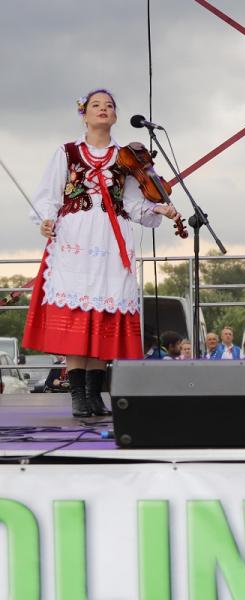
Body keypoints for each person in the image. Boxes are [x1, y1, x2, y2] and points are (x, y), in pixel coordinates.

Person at [22, 88, 181, 417]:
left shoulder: (125, 158)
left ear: (116, 115)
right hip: (76, 237)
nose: (103, 109)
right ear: (84, 114)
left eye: (109, 105)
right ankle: (77, 395)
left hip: (111, 239)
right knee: (78, 313)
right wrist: (46, 220)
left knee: (104, 314)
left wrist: (159, 209)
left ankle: (95, 394)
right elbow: (49, 194)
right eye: (96, 105)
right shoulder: (67, 152)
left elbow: (133, 204)